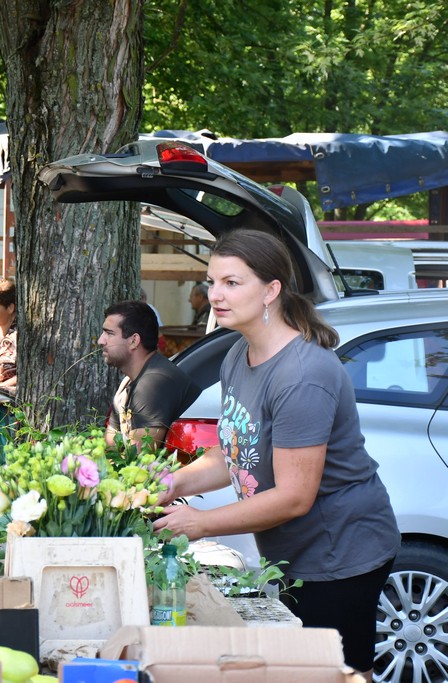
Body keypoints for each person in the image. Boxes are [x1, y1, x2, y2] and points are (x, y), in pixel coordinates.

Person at [153, 230, 399, 680]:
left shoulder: (303, 374)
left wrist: (200, 523)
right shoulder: (237, 356)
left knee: (337, 672)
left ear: (271, 290)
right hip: (292, 552)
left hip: (339, 552)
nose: (215, 295)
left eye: (232, 283)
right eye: (212, 282)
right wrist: (171, 483)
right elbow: (235, 453)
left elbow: (293, 497)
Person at [98, 300, 200, 447]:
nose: (101, 341)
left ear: (134, 341)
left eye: (109, 333)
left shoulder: (154, 382)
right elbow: (110, 446)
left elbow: (139, 458)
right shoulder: (129, 381)